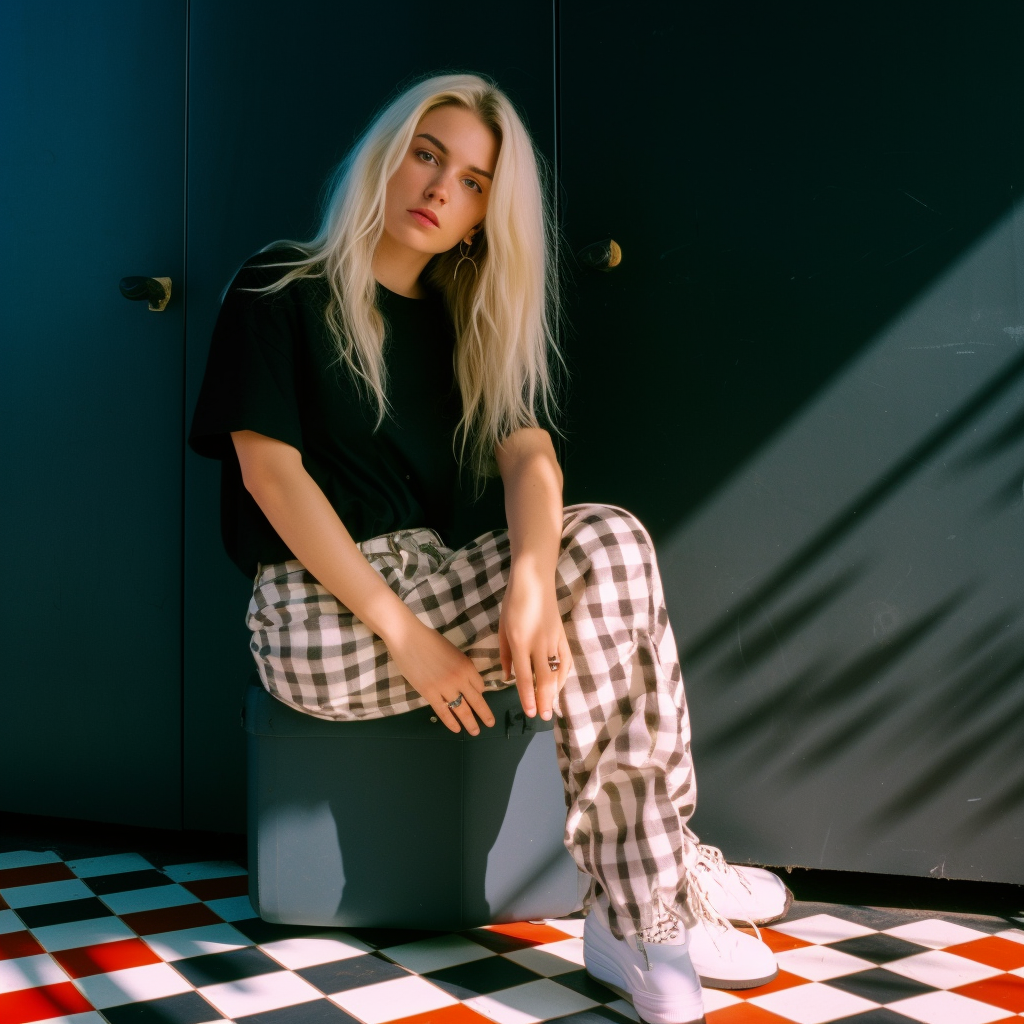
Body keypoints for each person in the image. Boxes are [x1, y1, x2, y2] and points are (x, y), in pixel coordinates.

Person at [189, 71, 790, 1024]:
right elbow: (273, 478)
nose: (441, 189)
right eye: (429, 155)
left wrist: (531, 583)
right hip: (314, 613)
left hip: (431, 582)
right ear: (388, 157)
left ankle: (645, 895)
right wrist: (406, 636)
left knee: (608, 547)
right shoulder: (281, 284)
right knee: (612, 560)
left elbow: (531, 455)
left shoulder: (463, 317)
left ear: (481, 218)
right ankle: (653, 889)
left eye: (473, 181)